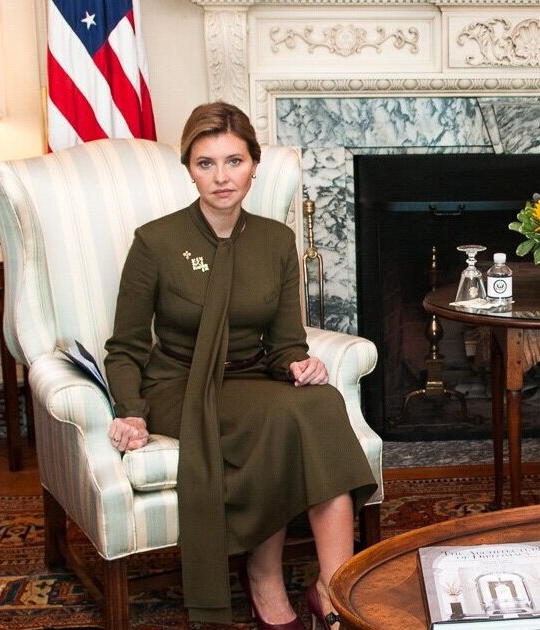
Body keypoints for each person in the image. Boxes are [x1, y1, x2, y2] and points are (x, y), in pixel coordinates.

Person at [104, 101, 377, 628]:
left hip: (251, 379)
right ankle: (264, 577)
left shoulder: (276, 241)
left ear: (254, 165)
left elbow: (286, 344)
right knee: (283, 417)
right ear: (189, 169)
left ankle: (334, 590)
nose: (221, 177)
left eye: (234, 161)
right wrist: (130, 410)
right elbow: (127, 346)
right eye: (205, 163)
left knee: (320, 401)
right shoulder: (155, 242)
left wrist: (301, 366)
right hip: (180, 385)